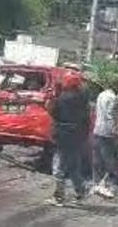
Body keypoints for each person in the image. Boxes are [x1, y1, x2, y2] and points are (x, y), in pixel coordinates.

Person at [47, 72, 89, 206]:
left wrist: (54, 96)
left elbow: (53, 112)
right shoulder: (83, 99)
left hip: (64, 136)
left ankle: (59, 197)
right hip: (77, 137)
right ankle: (80, 193)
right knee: (74, 167)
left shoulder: (63, 98)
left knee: (58, 167)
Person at [92, 77, 118, 199]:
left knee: (98, 159)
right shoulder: (113, 98)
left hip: (97, 129)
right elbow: (114, 116)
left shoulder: (101, 95)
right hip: (109, 132)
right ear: (117, 87)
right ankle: (108, 186)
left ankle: (97, 183)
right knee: (111, 160)